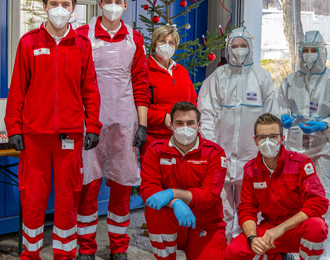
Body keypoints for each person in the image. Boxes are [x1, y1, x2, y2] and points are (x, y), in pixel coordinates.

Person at [5, 0, 102, 259]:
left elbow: (90, 89)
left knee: (68, 200)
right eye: (54, 3)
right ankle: (31, 254)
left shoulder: (82, 44)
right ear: (46, 6)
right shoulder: (28, 42)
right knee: (34, 198)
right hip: (35, 136)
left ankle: (65, 254)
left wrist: (92, 125)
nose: (60, 8)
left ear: (72, 8)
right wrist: (14, 127)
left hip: (69, 135)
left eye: (65, 4)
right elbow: (17, 89)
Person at [75, 0, 151, 259]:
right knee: (88, 185)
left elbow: (141, 82)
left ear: (126, 4)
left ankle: (119, 248)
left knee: (120, 185)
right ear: (99, 3)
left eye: (118, 1)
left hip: (123, 121)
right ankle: (85, 248)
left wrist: (142, 124)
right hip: (89, 122)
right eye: (108, 1)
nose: (113, 5)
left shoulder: (134, 39)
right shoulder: (81, 35)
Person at [278, 30, 330, 260]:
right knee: (290, 198)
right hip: (293, 150)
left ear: (322, 52)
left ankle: (322, 252)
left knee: (325, 199)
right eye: (306, 50)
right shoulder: (291, 80)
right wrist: (285, 116)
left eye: (314, 51)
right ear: (300, 52)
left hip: (320, 149)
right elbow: (279, 104)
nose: (309, 55)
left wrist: (324, 123)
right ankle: (290, 248)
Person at [197, 26, 278, 240]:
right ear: (228, 49)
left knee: (250, 208)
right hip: (221, 157)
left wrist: (268, 149)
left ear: (250, 47)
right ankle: (220, 246)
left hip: (251, 157)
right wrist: (211, 149)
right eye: (235, 46)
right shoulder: (217, 77)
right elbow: (206, 114)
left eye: (243, 46)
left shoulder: (262, 77)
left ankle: (245, 247)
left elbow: (271, 117)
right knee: (220, 208)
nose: (239, 50)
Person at [225, 113, 329, 260]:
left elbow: (318, 203)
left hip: (297, 228)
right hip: (270, 229)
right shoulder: (250, 170)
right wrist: (252, 238)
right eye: (262, 137)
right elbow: (247, 209)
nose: (267, 142)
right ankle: (280, 257)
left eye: (273, 136)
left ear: (282, 139)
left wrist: (281, 228)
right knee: (234, 251)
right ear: (256, 141)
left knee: (316, 227)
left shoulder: (301, 164)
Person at [140, 101, 227, 260]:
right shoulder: (155, 150)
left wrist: (172, 193)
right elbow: (148, 190)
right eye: (179, 123)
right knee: (156, 213)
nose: (184, 127)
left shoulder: (214, 153)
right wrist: (175, 203)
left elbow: (209, 195)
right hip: (168, 218)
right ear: (171, 125)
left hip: (205, 222)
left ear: (199, 125)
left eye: (190, 123)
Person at [139, 25, 197, 161]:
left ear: (176, 47)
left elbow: (193, 101)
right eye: (162, 41)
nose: (167, 45)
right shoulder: (144, 70)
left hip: (183, 137)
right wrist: (162, 117)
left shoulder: (181, 71)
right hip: (155, 138)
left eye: (171, 43)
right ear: (154, 44)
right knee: (154, 180)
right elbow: (138, 107)